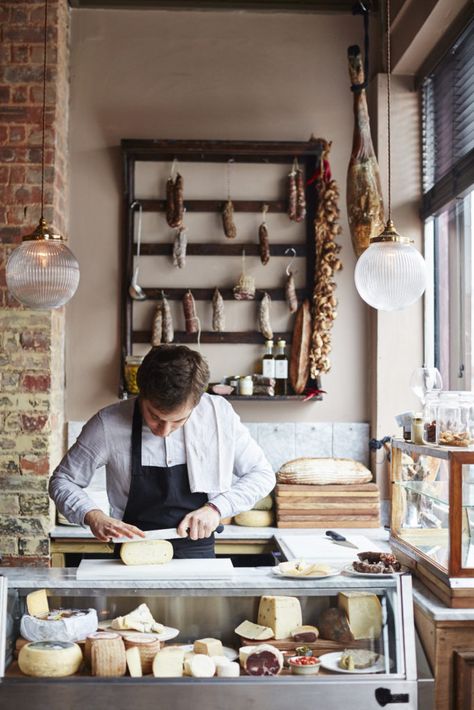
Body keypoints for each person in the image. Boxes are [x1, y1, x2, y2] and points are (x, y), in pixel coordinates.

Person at [49, 345, 275, 559]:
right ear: (141, 393)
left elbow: (262, 474)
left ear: (196, 403)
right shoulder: (108, 423)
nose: (164, 430)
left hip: (198, 554)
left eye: (178, 421)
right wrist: (93, 516)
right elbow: (62, 480)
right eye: (155, 416)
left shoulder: (218, 415)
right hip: (131, 555)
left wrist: (217, 509)